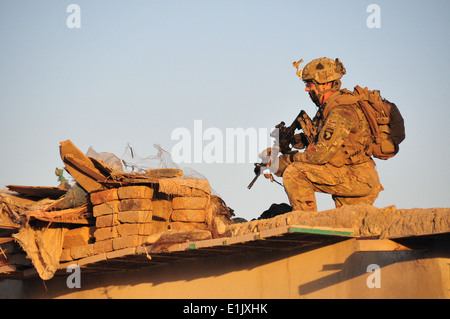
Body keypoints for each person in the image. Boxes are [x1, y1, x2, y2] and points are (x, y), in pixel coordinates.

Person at [267, 57, 383, 211]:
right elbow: (320, 138)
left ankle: (305, 221)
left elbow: (318, 155)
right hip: (354, 175)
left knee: (294, 172)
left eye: (310, 84)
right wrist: (291, 142)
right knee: (347, 225)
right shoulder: (329, 108)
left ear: (325, 84)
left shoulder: (340, 112)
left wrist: (289, 159)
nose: (307, 89)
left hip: (356, 176)